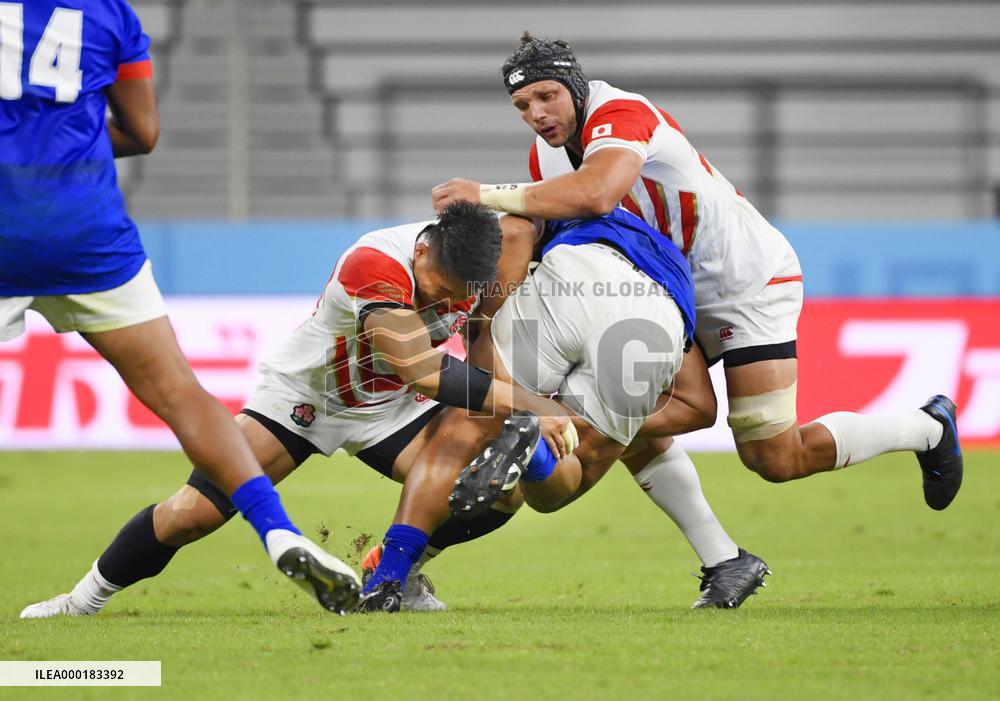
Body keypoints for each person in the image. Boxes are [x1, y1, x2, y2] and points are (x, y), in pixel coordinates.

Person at [430, 33, 962, 509]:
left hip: (742, 282)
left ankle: (926, 428)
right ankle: (719, 556)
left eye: (547, 95)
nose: (537, 113)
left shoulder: (622, 114)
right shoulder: (544, 159)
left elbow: (596, 194)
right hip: (657, 291)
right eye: (523, 105)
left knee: (775, 457)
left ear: (575, 85)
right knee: (632, 407)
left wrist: (483, 194)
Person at [18, 204, 575, 617]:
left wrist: (516, 401)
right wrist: (533, 403)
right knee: (192, 514)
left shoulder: (475, 270)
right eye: (434, 290)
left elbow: (479, 330)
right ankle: (80, 601)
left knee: (499, 491)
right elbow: (423, 370)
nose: (441, 303)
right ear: (423, 252)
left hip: (392, 409)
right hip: (308, 396)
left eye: (453, 297)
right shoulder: (375, 262)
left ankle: (399, 575)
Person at [3, 0, 359, 616]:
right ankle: (276, 529)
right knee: (181, 394)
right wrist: (68, 144)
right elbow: (143, 132)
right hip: (87, 232)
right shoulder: (111, 15)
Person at [360, 207, 770, 612]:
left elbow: (516, 232)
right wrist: (583, 423)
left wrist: (485, 330)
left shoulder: (565, 204)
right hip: (653, 318)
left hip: (573, 276)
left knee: (475, 415)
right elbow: (698, 408)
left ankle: (389, 574)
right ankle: (536, 451)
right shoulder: (672, 269)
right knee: (566, 473)